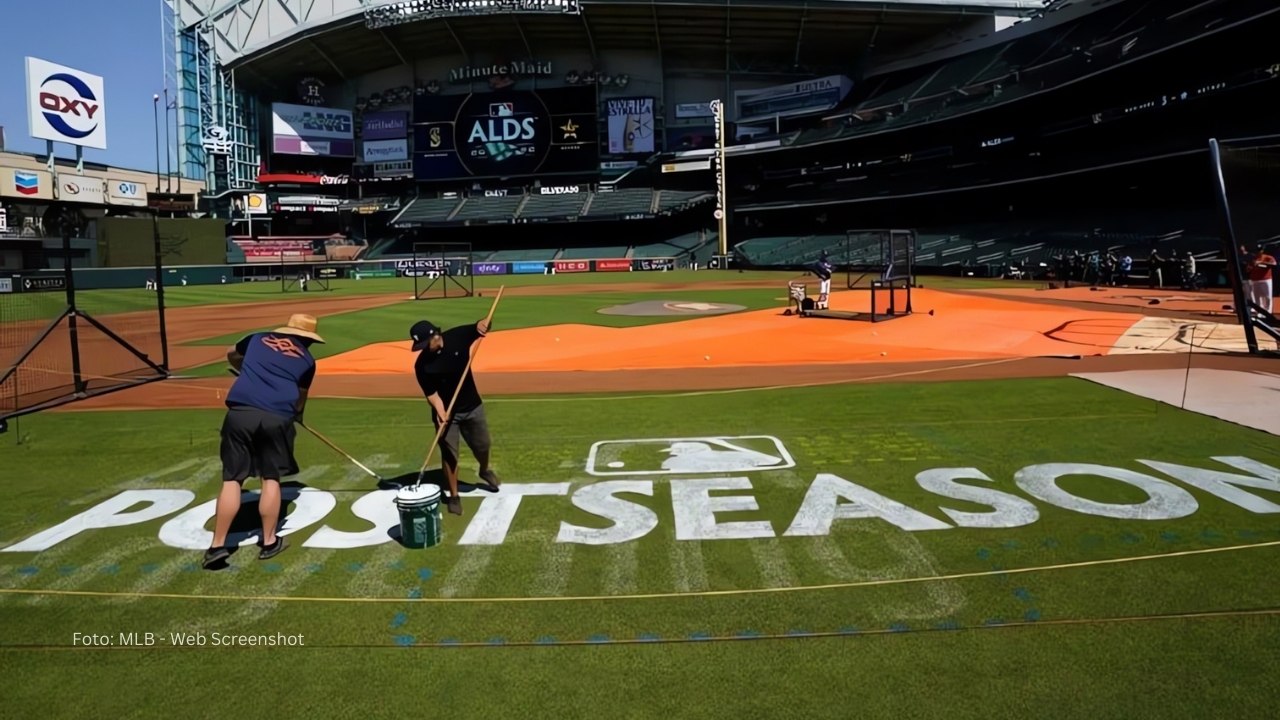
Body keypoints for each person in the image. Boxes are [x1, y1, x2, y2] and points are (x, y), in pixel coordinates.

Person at [203, 314, 325, 569]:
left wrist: (243, 369)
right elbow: (300, 398)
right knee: (270, 478)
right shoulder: (308, 360)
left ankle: (217, 546)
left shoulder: (256, 339)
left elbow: (232, 354)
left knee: (232, 479)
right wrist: (298, 415)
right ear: (307, 338)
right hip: (277, 416)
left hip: (240, 413)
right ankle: (269, 542)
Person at [410, 317, 500, 516]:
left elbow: (479, 327)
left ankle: (484, 470)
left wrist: (485, 323)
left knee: (483, 445)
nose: (424, 349)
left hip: (472, 406)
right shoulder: (422, 365)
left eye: (426, 343)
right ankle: (454, 496)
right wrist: (440, 413)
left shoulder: (458, 337)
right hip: (447, 413)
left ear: (435, 335)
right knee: (450, 455)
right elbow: (431, 394)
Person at [1247, 244, 1276, 316]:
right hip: (1255, 280)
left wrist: (1261, 263)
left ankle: (1268, 312)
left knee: (1267, 297)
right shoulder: (1253, 259)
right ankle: (1258, 312)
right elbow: (1248, 269)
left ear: (1262, 251)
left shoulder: (1268, 257)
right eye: (1257, 251)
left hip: (1265, 280)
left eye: (1260, 250)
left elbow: (1274, 264)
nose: (1258, 252)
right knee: (1257, 297)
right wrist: (1252, 266)